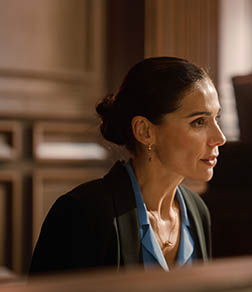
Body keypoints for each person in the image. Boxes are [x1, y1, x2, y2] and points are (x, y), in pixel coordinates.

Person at [29, 57, 227, 274]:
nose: (220, 137)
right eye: (199, 121)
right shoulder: (81, 214)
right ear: (145, 131)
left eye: (217, 118)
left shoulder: (197, 211)